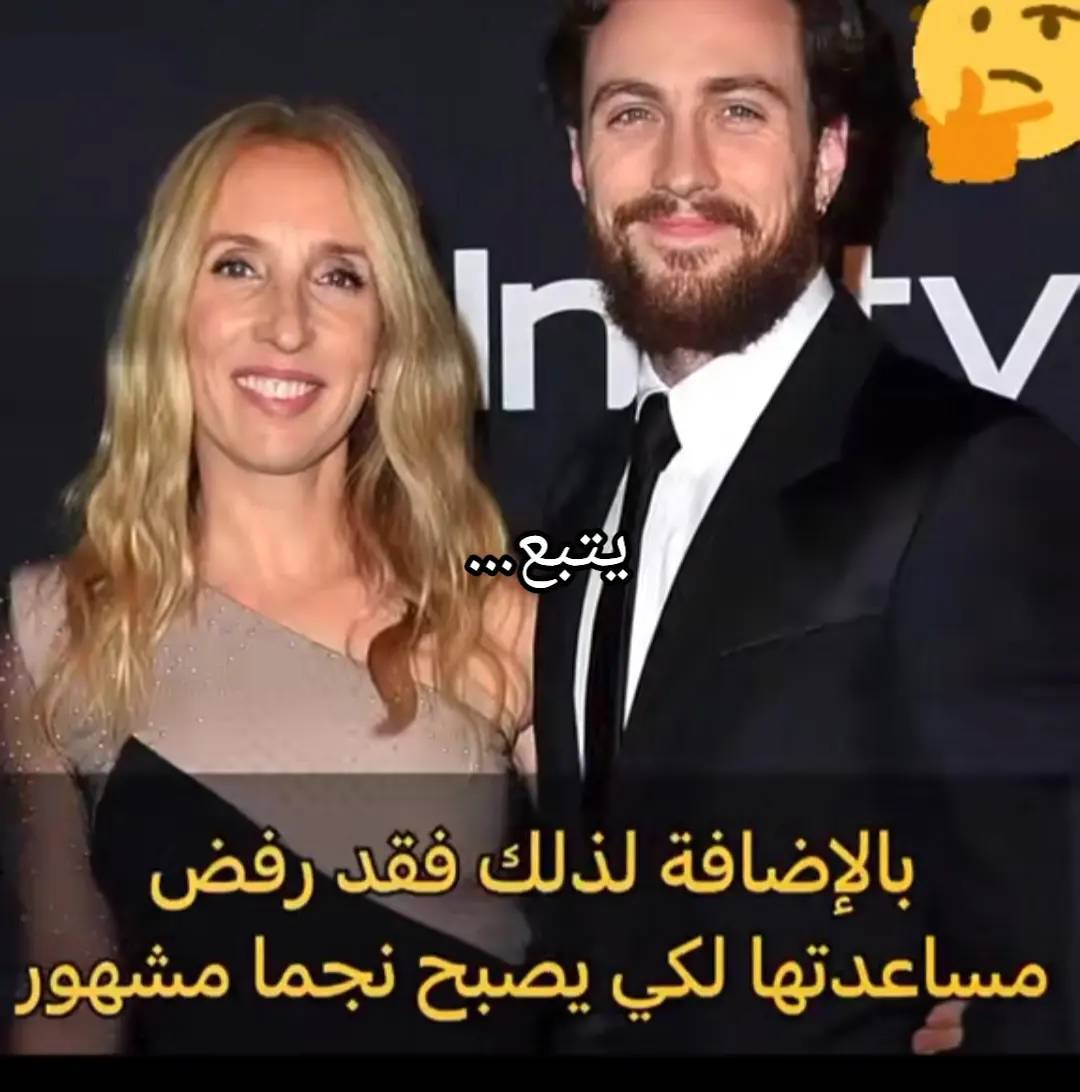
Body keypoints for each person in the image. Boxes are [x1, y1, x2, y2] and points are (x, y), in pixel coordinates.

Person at [530, 0, 1080, 1054]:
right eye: (632, 112)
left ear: (828, 158)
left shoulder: (968, 477)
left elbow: (1049, 967)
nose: (681, 169)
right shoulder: (587, 487)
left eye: (738, 110)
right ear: (578, 163)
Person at [0, 100, 539, 1054]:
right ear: (171, 315)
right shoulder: (55, 630)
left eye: (339, 277)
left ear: (389, 345)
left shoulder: (498, 619)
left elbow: (645, 953)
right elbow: (69, 996)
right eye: (237, 266)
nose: (287, 326)